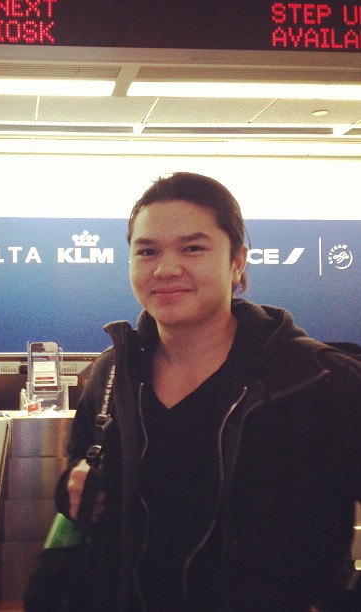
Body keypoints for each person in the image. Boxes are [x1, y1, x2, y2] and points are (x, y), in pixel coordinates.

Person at [54, 172, 361, 611]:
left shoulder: (318, 381)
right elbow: (84, 470)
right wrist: (74, 485)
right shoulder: (113, 373)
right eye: (147, 251)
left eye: (192, 248)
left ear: (238, 260)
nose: (166, 268)